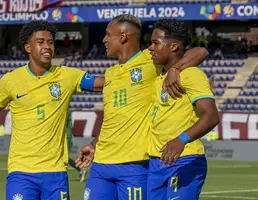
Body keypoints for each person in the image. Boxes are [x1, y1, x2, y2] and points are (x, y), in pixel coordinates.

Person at [0, 20, 104, 200]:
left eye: (50, 42)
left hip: (56, 172)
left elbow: (103, 83)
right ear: (28, 47)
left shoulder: (68, 76)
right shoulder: (10, 80)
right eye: (41, 42)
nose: (47, 47)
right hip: (21, 172)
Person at [76, 15, 209, 200]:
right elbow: (115, 119)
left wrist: (175, 68)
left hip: (135, 164)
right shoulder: (111, 73)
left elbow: (200, 51)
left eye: (108, 34)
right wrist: (93, 144)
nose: (104, 39)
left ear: (123, 36)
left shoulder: (151, 60)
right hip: (101, 164)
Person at [147, 19, 219, 200]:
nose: (150, 48)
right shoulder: (157, 74)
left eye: (155, 43)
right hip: (156, 162)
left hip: (184, 159)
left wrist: (182, 139)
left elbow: (211, 116)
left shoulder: (192, 74)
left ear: (173, 47)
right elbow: (200, 51)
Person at [66, 108, 87, 182]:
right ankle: (81, 169)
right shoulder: (66, 110)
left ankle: (80, 169)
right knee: (65, 159)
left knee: (64, 158)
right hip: (65, 137)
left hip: (65, 138)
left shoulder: (65, 110)